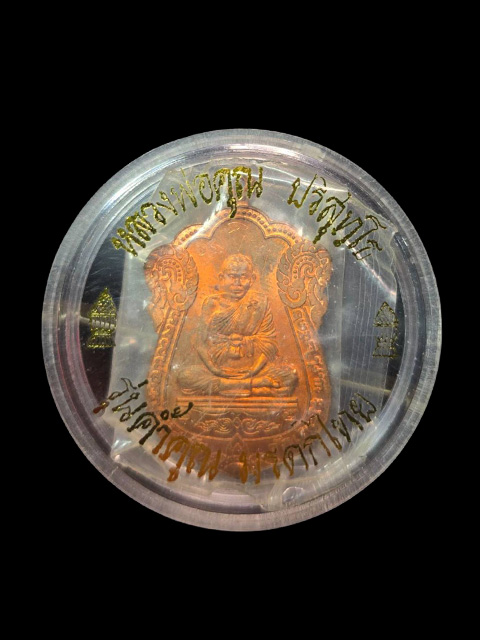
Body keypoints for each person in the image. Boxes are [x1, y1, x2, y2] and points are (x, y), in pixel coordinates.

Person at [177, 254, 298, 397]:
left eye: (243, 277)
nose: (238, 283)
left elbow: (268, 342)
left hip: (253, 368)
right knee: (185, 376)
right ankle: (256, 385)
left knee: (289, 376)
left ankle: (231, 386)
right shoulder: (211, 303)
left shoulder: (259, 302)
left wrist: (253, 370)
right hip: (218, 369)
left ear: (252, 279)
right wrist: (214, 369)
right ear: (221, 277)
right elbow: (199, 342)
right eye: (232, 276)